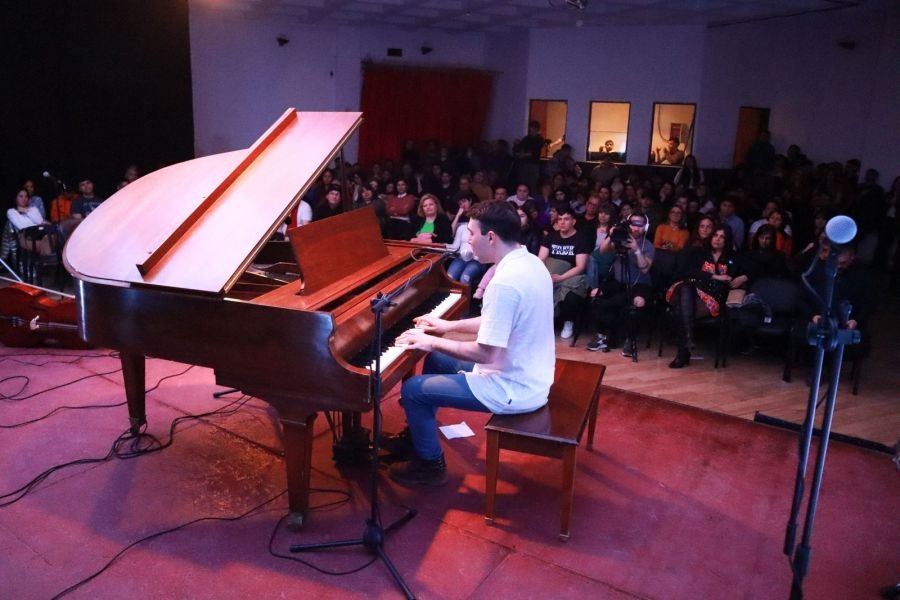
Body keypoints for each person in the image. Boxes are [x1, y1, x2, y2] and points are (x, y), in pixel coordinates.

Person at [386, 201, 555, 486]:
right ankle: (416, 436)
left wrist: (431, 342)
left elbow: (485, 352)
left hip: (514, 386)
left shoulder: (505, 283)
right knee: (437, 362)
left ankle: (430, 466)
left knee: (414, 389)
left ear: (491, 237)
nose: (468, 241)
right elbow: (496, 320)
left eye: (472, 234)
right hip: (528, 370)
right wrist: (447, 326)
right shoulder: (529, 262)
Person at [666, 225, 747, 368]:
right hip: (693, 290)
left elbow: (755, 269)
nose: (717, 239)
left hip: (713, 297)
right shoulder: (699, 252)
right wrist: (715, 276)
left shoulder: (733, 257)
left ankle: (683, 352)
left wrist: (744, 277)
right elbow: (687, 271)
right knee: (686, 290)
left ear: (727, 240)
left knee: (681, 310)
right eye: (715, 235)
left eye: (722, 237)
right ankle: (688, 340)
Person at [587, 211, 655, 357]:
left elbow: (645, 268)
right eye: (633, 224)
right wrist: (611, 235)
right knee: (596, 294)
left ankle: (631, 340)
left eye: (640, 225)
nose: (636, 228)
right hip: (618, 282)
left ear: (645, 227)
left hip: (640, 283)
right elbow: (602, 251)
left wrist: (636, 249)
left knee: (639, 302)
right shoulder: (620, 239)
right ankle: (601, 335)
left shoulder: (648, 245)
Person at [539, 204, 590, 340]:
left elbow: (580, 266)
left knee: (571, 296)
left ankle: (568, 322)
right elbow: (541, 259)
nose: (562, 222)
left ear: (573, 221)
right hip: (550, 273)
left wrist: (560, 278)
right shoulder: (550, 237)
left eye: (566, 219)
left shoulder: (581, 239)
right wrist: (546, 276)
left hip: (571, 275)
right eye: (559, 219)